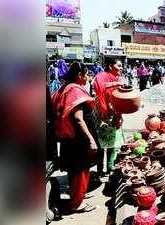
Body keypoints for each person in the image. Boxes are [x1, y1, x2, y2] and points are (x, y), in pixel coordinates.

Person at [51, 62, 99, 213]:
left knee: (74, 171)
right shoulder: (74, 90)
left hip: (69, 139)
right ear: (79, 75)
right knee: (80, 171)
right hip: (78, 139)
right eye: (86, 74)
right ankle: (77, 204)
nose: (87, 77)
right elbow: (78, 118)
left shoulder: (65, 88)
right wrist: (90, 140)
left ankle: (77, 197)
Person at [92, 58, 125, 175]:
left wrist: (119, 115)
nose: (121, 68)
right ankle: (100, 171)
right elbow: (99, 86)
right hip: (101, 114)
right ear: (111, 66)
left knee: (112, 143)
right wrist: (116, 84)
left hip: (114, 114)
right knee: (101, 146)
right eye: (119, 66)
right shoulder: (101, 76)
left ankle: (110, 169)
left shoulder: (117, 79)